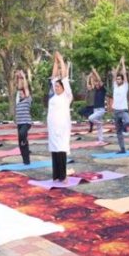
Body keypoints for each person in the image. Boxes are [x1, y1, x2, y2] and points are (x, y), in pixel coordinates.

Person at [46, 53, 73, 183]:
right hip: (52, 127)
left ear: (63, 87)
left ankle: (63, 176)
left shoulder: (67, 96)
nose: (56, 87)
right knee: (54, 150)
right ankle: (56, 176)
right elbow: (54, 76)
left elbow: (65, 77)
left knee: (61, 149)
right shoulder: (54, 96)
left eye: (58, 86)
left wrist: (61, 60)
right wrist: (55, 62)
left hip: (62, 127)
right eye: (55, 86)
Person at [12, 68, 34, 165]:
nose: (21, 94)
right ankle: (26, 161)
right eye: (20, 94)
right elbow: (19, 87)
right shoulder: (18, 101)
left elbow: (25, 87)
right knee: (21, 143)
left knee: (22, 134)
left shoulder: (28, 99)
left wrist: (24, 77)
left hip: (26, 123)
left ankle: (25, 140)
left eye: (22, 93)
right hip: (20, 123)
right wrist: (18, 77)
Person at [88, 68, 108, 144]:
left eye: (98, 83)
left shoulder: (103, 89)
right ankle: (101, 140)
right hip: (95, 109)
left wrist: (95, 72)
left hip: (101, 110)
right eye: (95, 84)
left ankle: (99, 123)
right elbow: (94, 81)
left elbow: (99, 80)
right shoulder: (96, 90)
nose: (96, 84)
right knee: (99, 127)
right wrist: (91, 75)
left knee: (90, 118)